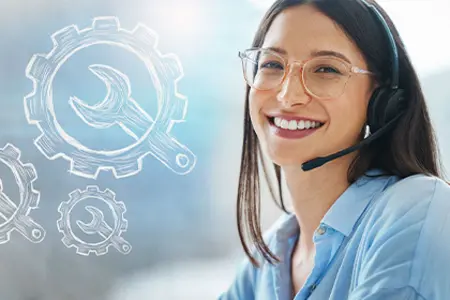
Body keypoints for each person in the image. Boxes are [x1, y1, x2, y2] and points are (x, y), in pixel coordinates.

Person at [218, 0, 450, 299]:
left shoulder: (419, 209)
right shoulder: (265, 262)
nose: (289, 96)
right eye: (273, 64)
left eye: (326, 69)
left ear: (382, 100)